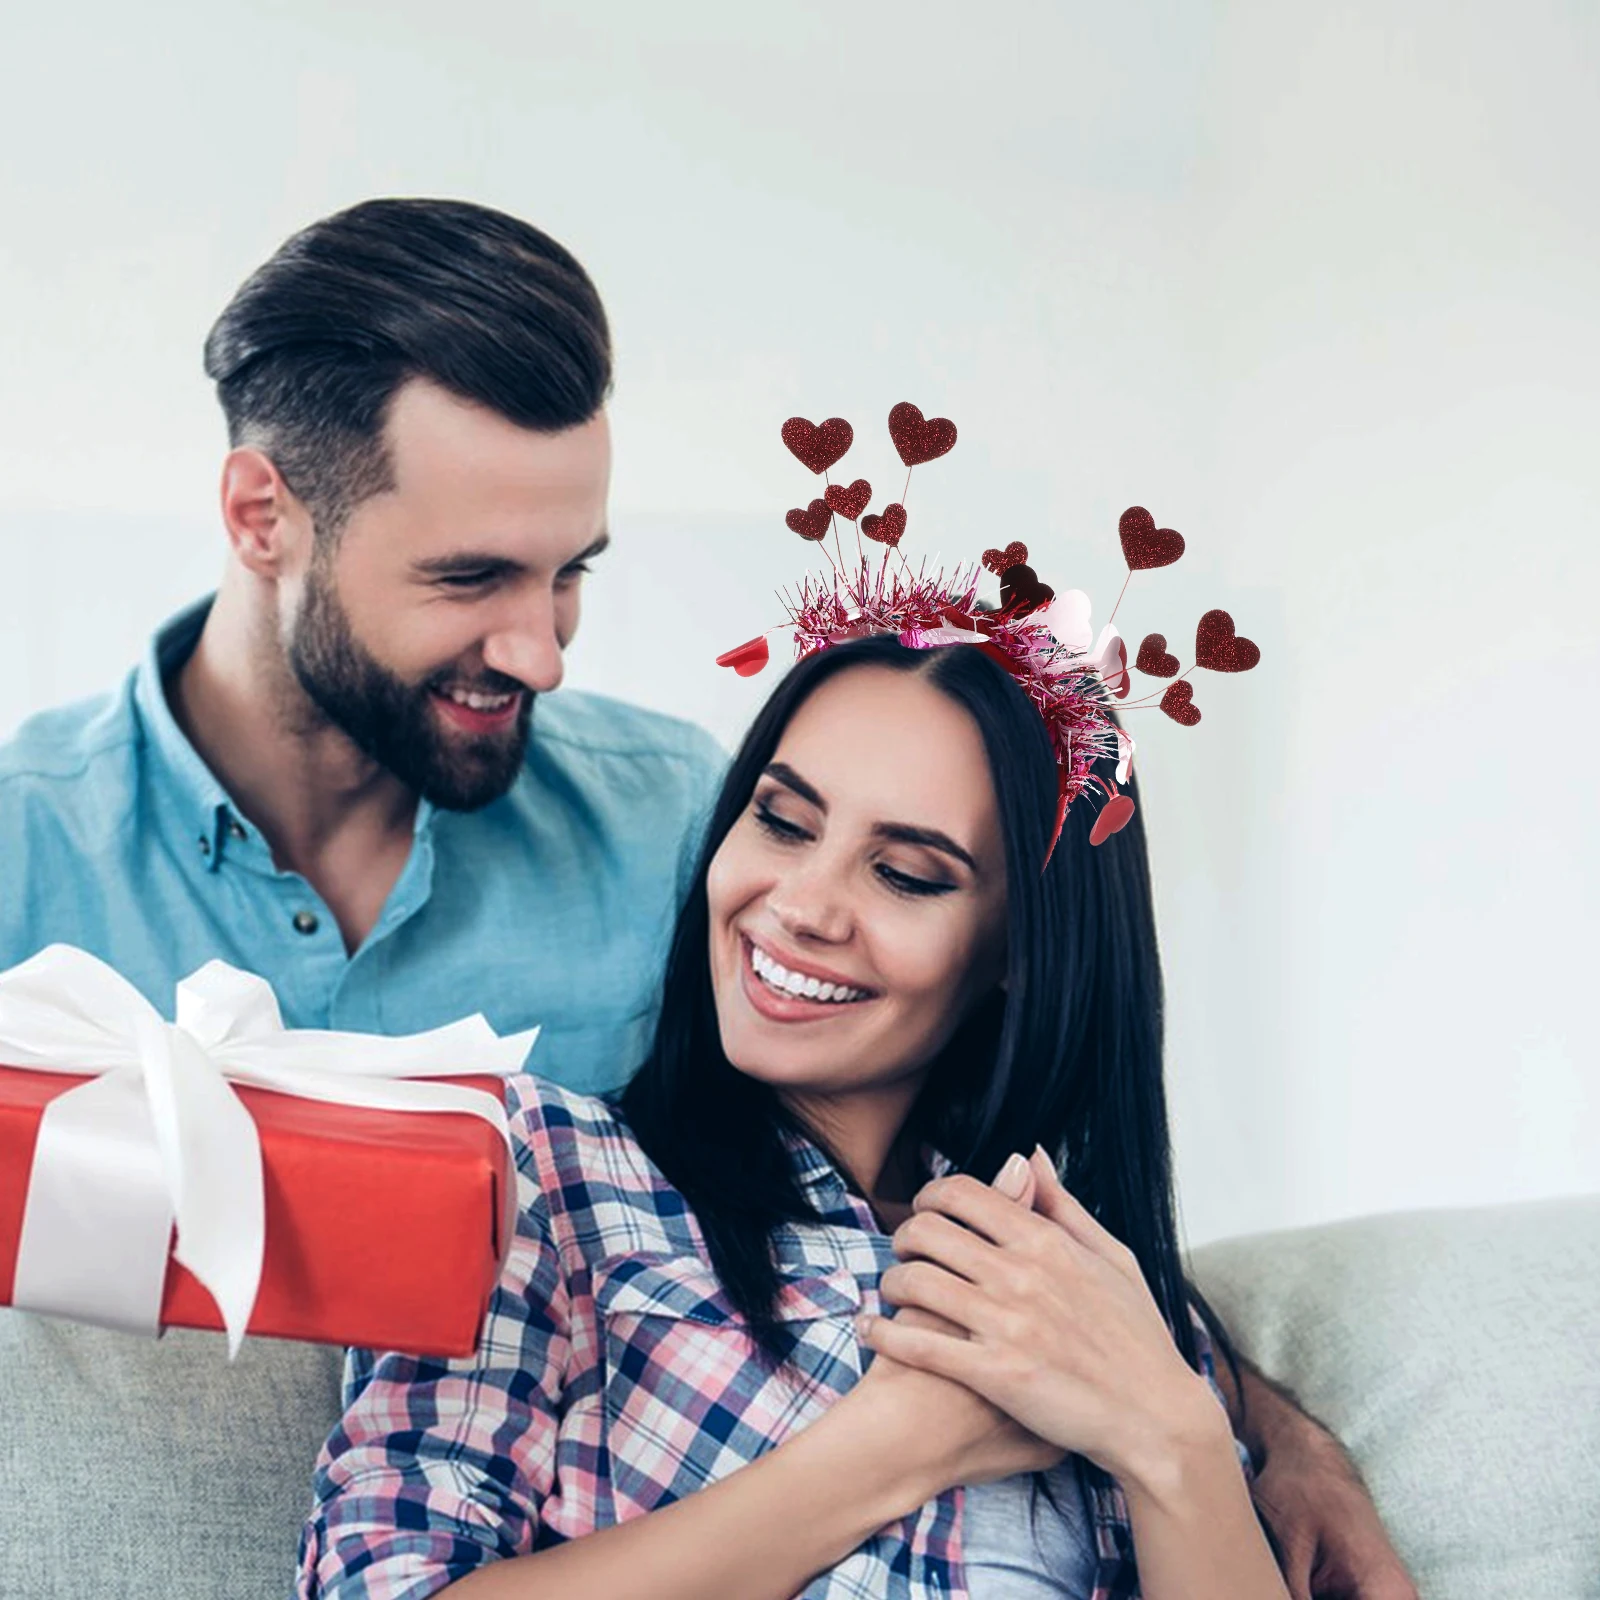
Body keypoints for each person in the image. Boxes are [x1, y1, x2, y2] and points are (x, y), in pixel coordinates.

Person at [0, 198, 1412, 1600]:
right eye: (472, 577)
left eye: (572, 577)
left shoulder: (675, 807)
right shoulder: (28, 847)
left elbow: (1034, 1152)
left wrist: (1251, 1437)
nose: (541, 653)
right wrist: (894, 1446)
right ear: (264, 517)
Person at [302, 632, 1285, 1598]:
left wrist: (1176, 1440)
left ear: (1021, 948)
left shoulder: (1081, 1293)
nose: (803, 905)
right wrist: (892, 1447)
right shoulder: (529, 1171)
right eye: (781, 820)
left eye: (904, 873)